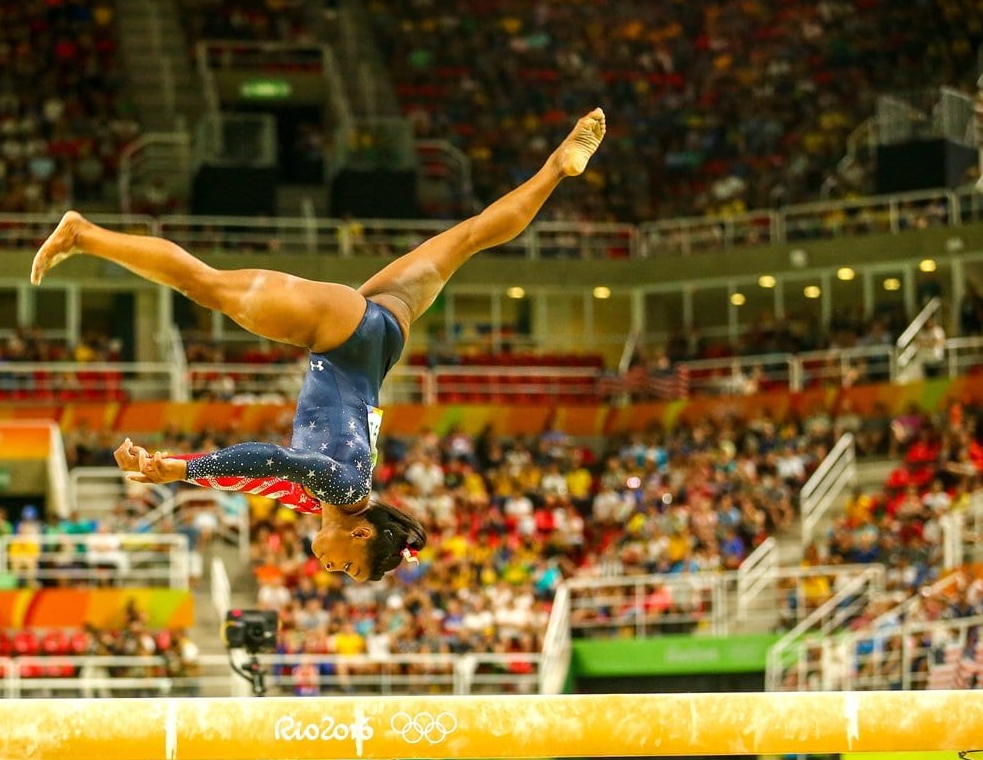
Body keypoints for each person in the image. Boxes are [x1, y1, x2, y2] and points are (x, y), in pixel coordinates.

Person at [34, 110, 607, 582]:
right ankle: (83, 233)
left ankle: (557, 167)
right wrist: (182, 469)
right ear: (361, 533)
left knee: (472, 235)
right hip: (341, 335)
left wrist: (168, 467)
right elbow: (278, 460)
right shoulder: (347, 488)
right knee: (202, 284)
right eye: (350, 568)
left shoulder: (327, 499)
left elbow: (258, 477)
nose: (333, 568)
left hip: (382, 338)